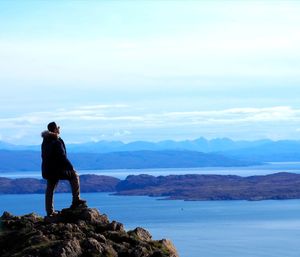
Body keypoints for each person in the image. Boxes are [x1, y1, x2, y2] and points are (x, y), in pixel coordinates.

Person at [41, 121, 86, 216]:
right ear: (55, 129)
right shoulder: (56, 141)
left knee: (50, 189)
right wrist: (71, 167)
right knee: (74, 175)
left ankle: (50, 212)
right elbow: (62, 157)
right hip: (56, 170)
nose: (59, 129)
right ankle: (76, 200)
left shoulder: (45, 141)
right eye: (58, 127)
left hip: (48, 170)